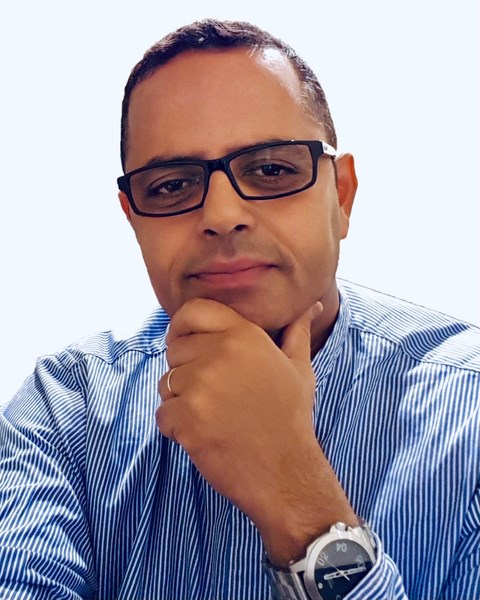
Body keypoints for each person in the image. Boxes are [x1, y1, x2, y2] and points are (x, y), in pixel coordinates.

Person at [0, 18, 479, 600]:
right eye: (171, 185)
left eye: (272, 169)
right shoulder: (63, 410)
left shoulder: (470, 410)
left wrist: (295, 493)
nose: (222, 215)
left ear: (342, 195)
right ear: (133, 219)